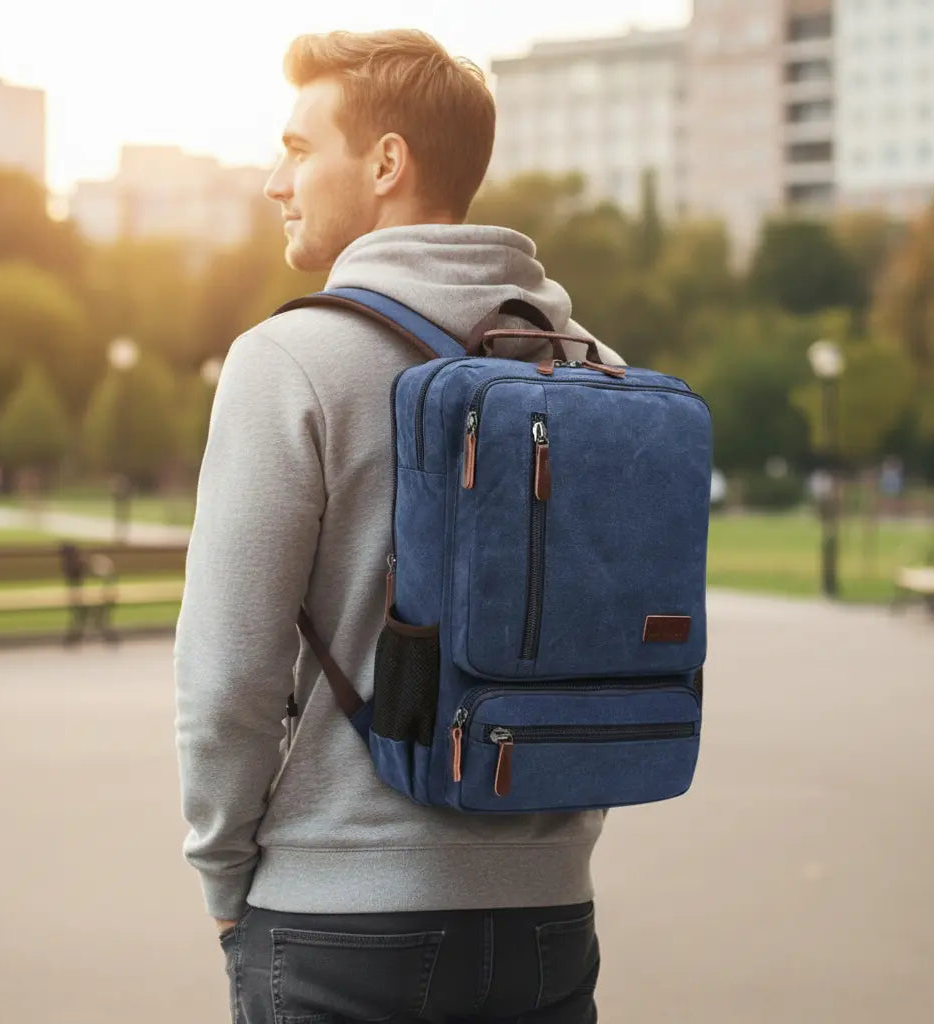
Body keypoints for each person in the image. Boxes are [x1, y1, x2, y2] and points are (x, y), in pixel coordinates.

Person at [175, 28, 620, 1024]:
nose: (274, 181)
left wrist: (223, 877)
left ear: (385, 163)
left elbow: (226, 679)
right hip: (549, 919)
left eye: (298, 149)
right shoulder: (593, 366)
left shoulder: (289, 360)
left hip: (341, 923)